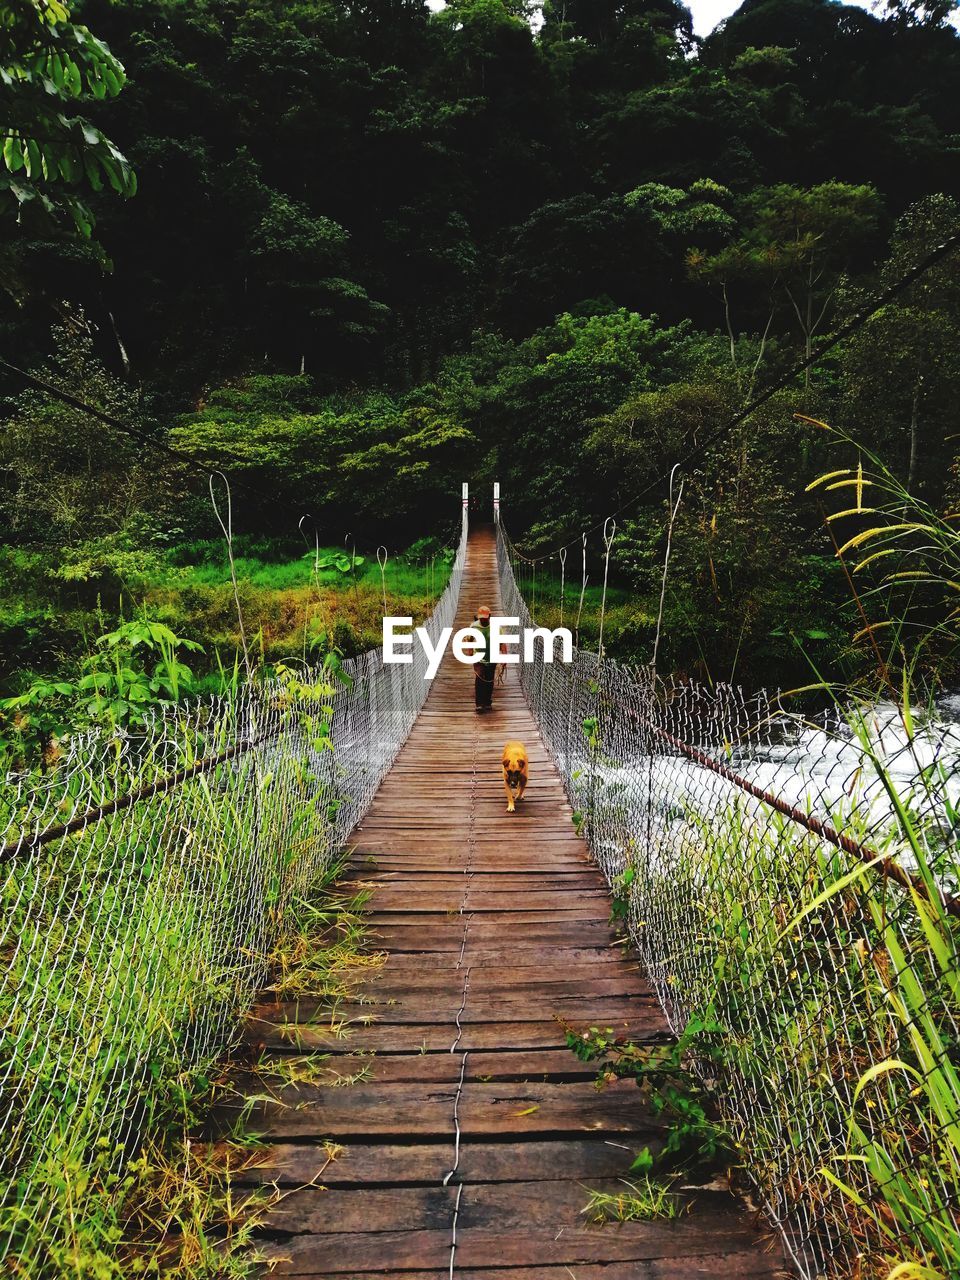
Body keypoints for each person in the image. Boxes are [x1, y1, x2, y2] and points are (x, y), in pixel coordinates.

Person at [472, 605, 496, 712]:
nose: (483, 619)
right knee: (480, 680)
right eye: (481, 617)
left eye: (485, 617)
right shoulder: (473, 626)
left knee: (489, 681)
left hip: (492, 658)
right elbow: (469, 640)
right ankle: (479, 704)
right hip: (479, 658)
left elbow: (502, 643)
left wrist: (504, 658)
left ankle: (487, 702)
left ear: (489, 616)